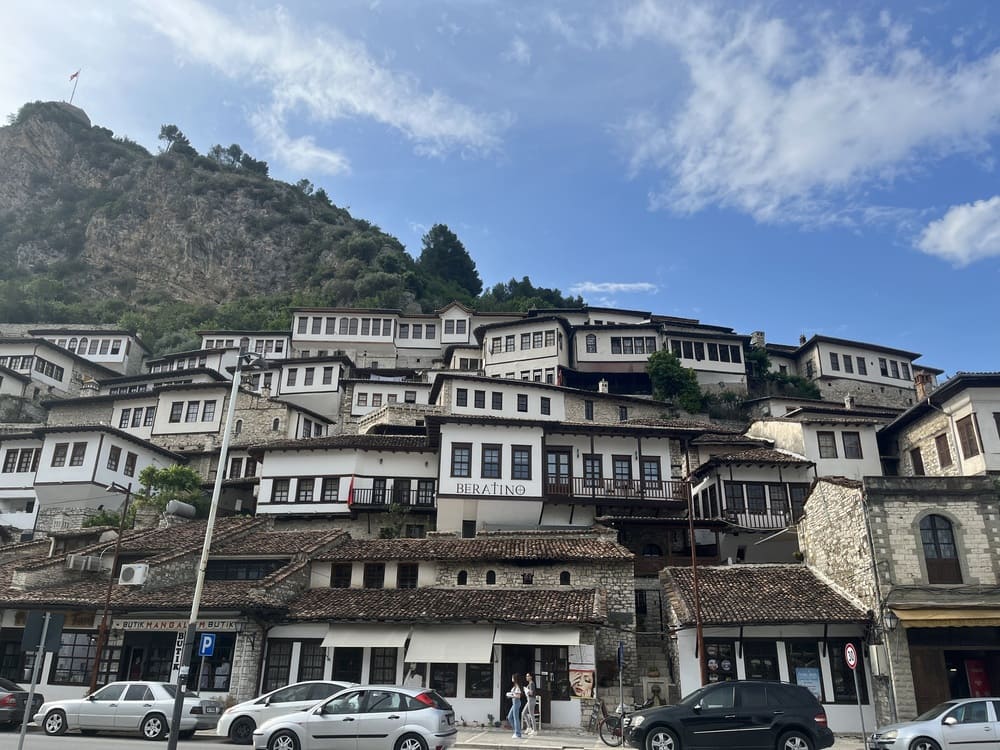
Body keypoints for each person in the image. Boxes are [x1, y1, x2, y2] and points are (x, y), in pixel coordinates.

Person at [505, 673, 524, 739]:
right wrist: (510, 695)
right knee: (510, 717)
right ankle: (516, 731)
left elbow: (518, 696)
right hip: (514, 703)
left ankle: (518, 733)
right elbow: (514, 694)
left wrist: (511, 695)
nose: (512, 678)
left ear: (515, 679)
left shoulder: (518, 686)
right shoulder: (515, 686)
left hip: (516, 702)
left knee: (516, 718)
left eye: (513, 677)